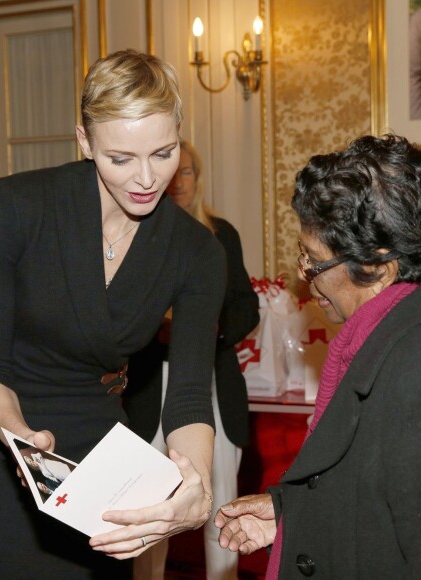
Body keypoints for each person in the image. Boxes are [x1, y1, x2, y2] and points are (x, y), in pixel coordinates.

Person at [0, 50, 227, 580]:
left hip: (100, 447)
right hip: (2, 431)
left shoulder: (197, 251)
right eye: (121, 158)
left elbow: (189, 396)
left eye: (164, 152)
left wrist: (197, 483)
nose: (147, 178)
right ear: (84, 141)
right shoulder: (12, 209)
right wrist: (23, 440)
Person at [214, 134, 421, 578]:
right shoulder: (402, 334)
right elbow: (376, 485)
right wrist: (291, 510)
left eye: (314, 261)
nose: (304, 275)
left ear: (379, 268)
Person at [124, 139, 259, 580]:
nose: (178, 180)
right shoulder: (131, 231)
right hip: (148, 386)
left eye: (187, 172)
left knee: (222, 501)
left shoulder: (220, 234)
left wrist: (205, 327)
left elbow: (246, 307)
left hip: (212, 379)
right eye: (172, 170)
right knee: (148, 504)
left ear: (197, 179)